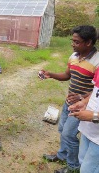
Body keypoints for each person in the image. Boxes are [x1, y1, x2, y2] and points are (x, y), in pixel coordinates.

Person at [39, 25, 99, 173]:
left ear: (88, 42)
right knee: (62, 130)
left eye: (76, 42)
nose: (72, 44)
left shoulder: (97, 62)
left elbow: (96, 90)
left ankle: (73, 166)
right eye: (72, 41)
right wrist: (50, 74)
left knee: (69, 134)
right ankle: (62, 155)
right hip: (68, 103)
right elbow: (68, 75)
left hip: (83, 107)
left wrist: (81, 97)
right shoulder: (74, 56)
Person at [69, 82, 99, 173]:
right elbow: (96, 92)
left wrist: (93, 116)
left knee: (88, 170)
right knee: (82, 162)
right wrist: (83, 103)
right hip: (88, 130)